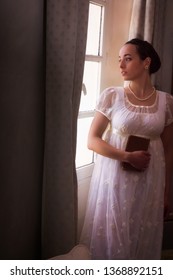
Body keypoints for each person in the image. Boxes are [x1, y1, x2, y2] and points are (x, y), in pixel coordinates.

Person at [80, 38, 173, 260]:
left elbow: (169, 150)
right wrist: (127, 156)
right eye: (119, 59)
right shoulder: (112, 95)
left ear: (146, 62)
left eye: (128, 59)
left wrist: (166, 191)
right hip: (116, 178)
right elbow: (92, 140)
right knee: (113, 235)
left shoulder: (166, 102)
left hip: (151, 180)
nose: (121, 65)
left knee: (143, 232)